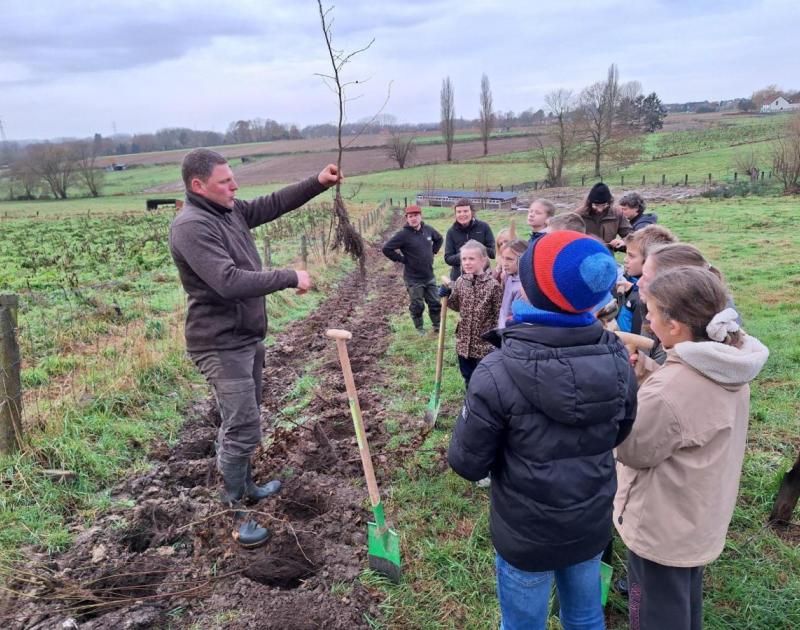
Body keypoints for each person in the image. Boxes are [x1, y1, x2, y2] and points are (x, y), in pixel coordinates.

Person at [448, 231, 637, 630]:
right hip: (590, 522)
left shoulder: (497, 370)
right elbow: (620, 431)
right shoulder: (618, 356)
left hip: (526, 534)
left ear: (530, 287)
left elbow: (467, 462)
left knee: (522, 624)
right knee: (585, 617)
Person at [169, 148, 340, 548]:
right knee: (243, 425)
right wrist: (287, 276)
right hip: (218, 342)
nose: (235, 186)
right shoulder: (192, 226)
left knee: (246, 418)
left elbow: (272, 204)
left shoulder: (227, 210)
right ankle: (233, 509)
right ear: (199, 185)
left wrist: (318, 182)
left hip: (245, 337)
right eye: (225, 181)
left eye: (233, 178)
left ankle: (246, 486)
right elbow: (227, 281)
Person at [614, 267, 768, 630]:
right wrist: (649, 378)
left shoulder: (670, 391)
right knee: (682, 601)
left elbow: (633, 449)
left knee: (650, 611)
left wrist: (628, 394)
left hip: (661, 526)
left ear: (676, 327)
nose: (646, 318)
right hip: (696, 515)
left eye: (651, 310)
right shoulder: (728, 361)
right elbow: (689, 419)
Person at [438, 240, 502, 387]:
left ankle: (483, 405)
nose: (467, 262)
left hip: (484, 345)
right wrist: (445, 296)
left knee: (483, 380)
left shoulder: (493, 286)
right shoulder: (461, 281)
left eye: (471, 259)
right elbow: (456, 305)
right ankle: (469, 403)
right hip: (464, 343)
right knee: (468, 376)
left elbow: (499, 314)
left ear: (483, 260)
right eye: (464, 259)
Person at [382, 205, 444, 335]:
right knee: (417, 305)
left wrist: (433, 251)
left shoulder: (428, 230)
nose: (414, 219)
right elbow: (386, 249)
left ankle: (437, 326)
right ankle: (420, 328)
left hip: (429, 275)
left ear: (420, 216)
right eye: (410, 216)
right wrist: (402, 259)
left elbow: (439, 239)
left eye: (416, 215)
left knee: (435, 302)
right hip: (413, 278)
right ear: (407, 219)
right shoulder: (403, 235)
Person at [616, 225, 677, 334]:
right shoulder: (637, 285)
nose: (625, 260)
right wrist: (632, 290)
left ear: (650, 259)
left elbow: (638, 340)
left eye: (631, 256)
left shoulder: (648, 300)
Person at [444, 198, 496, 280]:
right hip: (459, 279)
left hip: (483, 277)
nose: (462, 214)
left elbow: (493, 253)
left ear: (472, 212)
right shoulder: (451, 232)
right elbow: (448, 258)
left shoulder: (484, 227)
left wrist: (478, 250)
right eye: (459, 212)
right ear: (455, 214)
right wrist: (465, 255)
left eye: (465, 211)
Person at [576, 183, 632, 250]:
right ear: (589, 202)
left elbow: (630, 235)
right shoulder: (579, 215)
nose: (600, 209)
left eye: (604, 205)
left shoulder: (617, 214)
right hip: (585, 256)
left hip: (607, 256)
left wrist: (623, 241)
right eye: (596, 205)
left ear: (609, 202)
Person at [496, 239, 527, 329]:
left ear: (523, 259)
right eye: (503, 258)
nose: (504, 264)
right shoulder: (509, 277)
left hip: (510, 332)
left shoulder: (523, 287)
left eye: (509, 259)